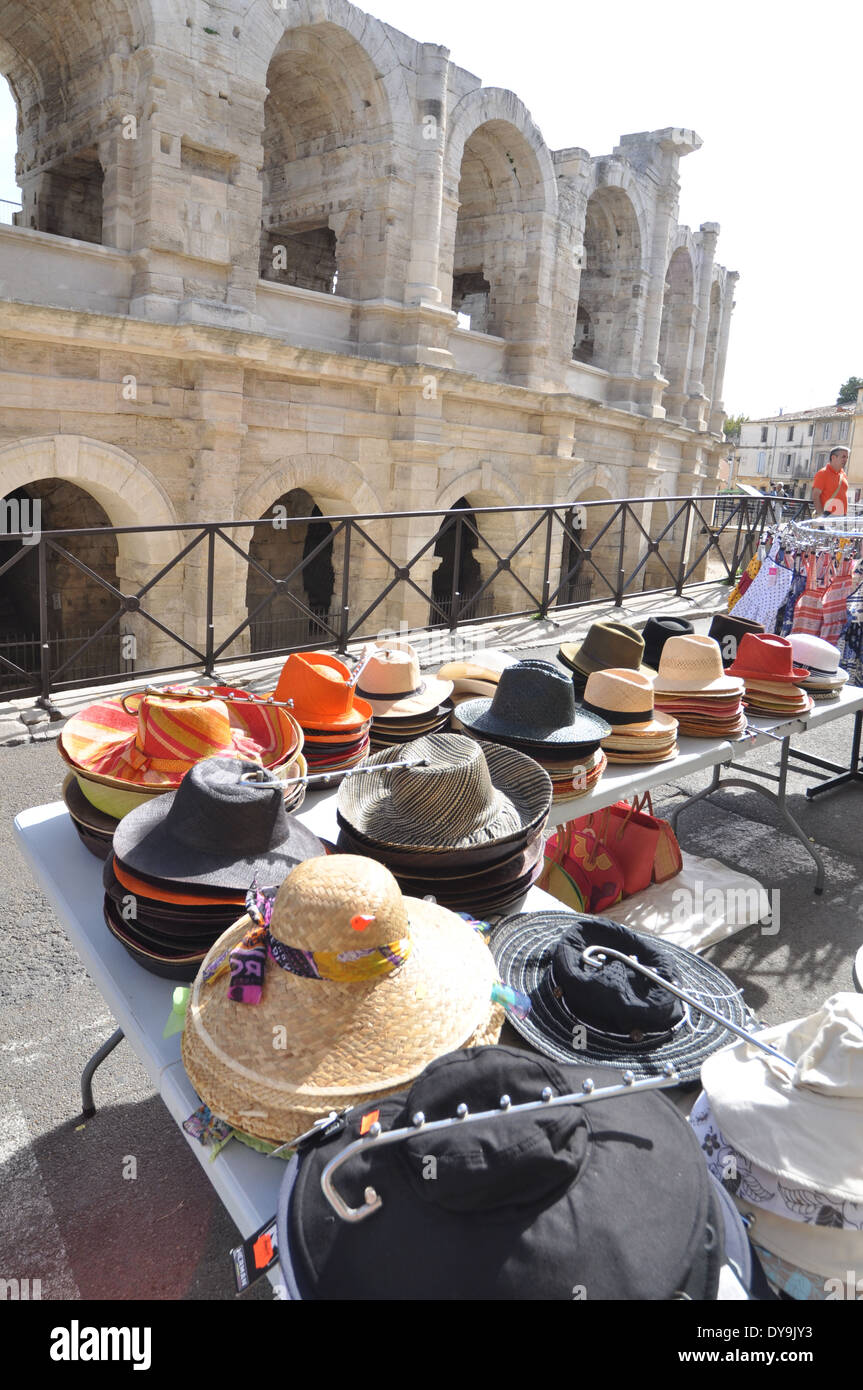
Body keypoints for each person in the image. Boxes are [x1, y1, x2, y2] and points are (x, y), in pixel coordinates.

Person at [812, 446, 850, 516]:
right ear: (833, 457)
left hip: (841, 517)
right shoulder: (823, 473)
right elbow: (815, 496)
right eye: (843, 457)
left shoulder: (843, 474)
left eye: (847, 457)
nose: (846, 460)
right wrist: (821, 516)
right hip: (828, 517)